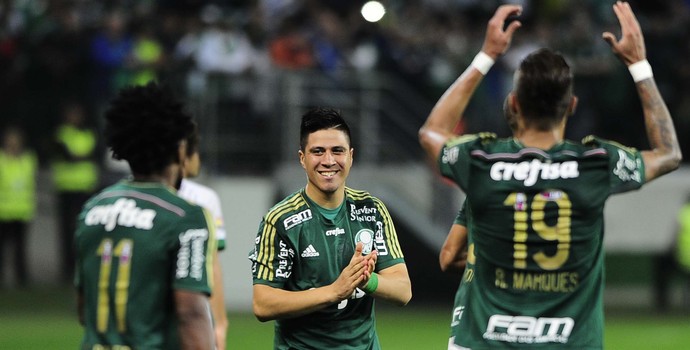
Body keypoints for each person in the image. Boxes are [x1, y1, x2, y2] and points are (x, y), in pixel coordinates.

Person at [418, 2, 682, 349]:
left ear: (513, 104)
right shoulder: (595, 164)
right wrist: (639, 66)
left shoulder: (482, 162)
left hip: (484, 340)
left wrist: (486, 56)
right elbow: (668, 153)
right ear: (571, 106)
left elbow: (432, 132)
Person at [249, 107, 412, 349]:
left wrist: (366, 281)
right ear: (302, 158)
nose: (328, 161)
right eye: (318, 152)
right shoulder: (280, 220)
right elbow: (263, 304)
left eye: (338, 151)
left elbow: (403, 290)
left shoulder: (371, 210)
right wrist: (335, 291)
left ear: (351, 156)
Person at [74, 82, 215, 349]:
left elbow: (84, 308)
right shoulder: (185, 216)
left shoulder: (92, 210)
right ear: (180, 150)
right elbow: (191, 312)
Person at [177, 128, 229, 349]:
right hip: (195, 309)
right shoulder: (203, 199)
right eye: (195, 151)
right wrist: (220, 323)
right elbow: (211, 264)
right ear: (183, 156)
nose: (198, 157)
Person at [52, 101, 100, 283]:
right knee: (67, 231)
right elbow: (65, 155)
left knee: (86, 229)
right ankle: (68, 268)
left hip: (86, 187)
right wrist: (80, 157)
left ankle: (86, 264)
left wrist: (76, 157)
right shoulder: (61, 134)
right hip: (66, 188)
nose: (75, 117)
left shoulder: (89, 133)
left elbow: (94, 154)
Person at [0, 127, 37, 287]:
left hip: (23, 210)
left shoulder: (29, 159)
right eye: (10, 139)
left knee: (20, 249)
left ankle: (21, 279)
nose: (13, 143)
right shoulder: (1, 159)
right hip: (3, 210)